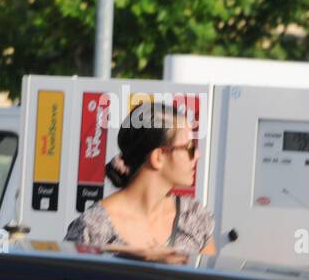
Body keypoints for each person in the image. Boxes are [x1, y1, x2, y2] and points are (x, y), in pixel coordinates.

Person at [65, 99, 216, 258]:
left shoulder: (194, 217)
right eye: (190, 148)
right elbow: (65, 277)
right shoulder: (92, 227)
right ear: (158, 157)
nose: (197, 156)